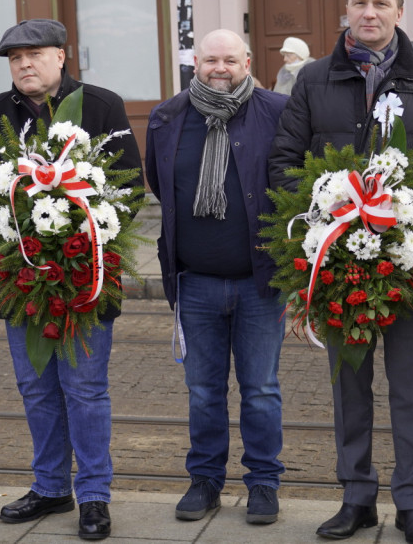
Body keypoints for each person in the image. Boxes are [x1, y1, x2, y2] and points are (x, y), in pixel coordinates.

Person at [268, 0, 413, 544]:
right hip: (336, 262)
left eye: (381, 3)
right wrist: (334, 199)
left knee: (409, 388)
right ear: (346, 11)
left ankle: (412, 502)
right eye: (359, 3)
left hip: (405, 261)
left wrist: (398, 189)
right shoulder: (311, 79)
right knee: (348, 387)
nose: (369, 13)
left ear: (400, 12)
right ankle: (357, 497)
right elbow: (283, 160)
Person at [0, 19, 143, 541]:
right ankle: (49, 486)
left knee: (84, 388)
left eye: (34, 54)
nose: (23, 64)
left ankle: (93, 495)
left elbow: (130, 184)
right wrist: (22, 186)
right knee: (36, 386)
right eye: (14, 58)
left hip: (87, 271)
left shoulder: (100, 105)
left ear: (61, 56)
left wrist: (80, 235)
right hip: (20, 269)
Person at [145, 29, 289, 525]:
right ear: (195, 63)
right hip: (195, 281)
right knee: (203, 391)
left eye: (230, 59)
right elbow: (161, 186)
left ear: (248, 62)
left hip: (259, 281)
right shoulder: (167, 117)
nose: (219, 68)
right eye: (210, 59)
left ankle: (264, 483)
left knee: (262, 389)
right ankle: (205, 480)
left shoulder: (277, 111)